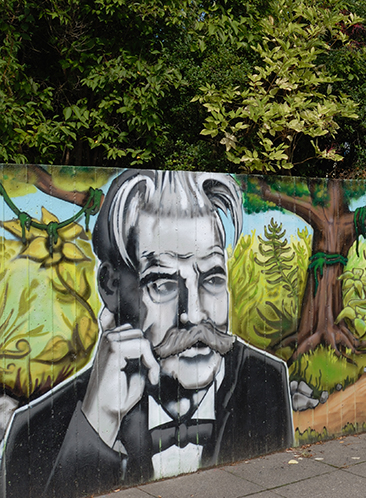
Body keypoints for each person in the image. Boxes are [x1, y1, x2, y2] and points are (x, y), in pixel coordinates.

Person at [1, 170, 293, 498]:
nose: (194, 314)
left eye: (212, 278)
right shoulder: (35, 431)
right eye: (163, 284)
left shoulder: (263, 379)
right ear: (111, 287)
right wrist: (100, 423)